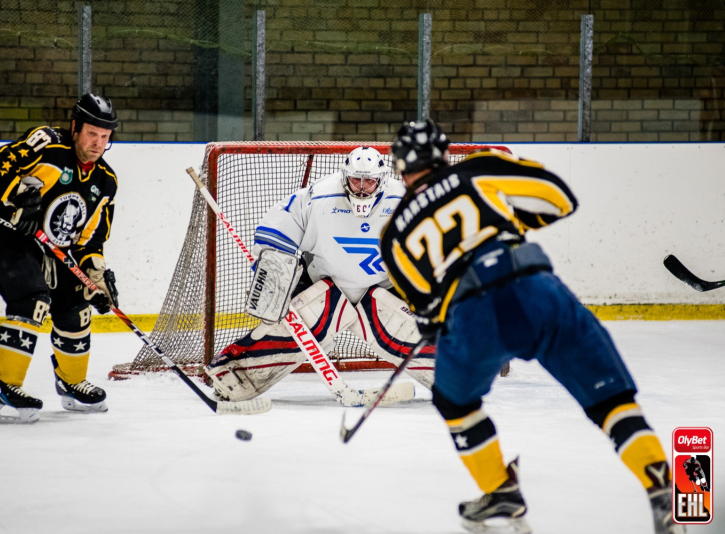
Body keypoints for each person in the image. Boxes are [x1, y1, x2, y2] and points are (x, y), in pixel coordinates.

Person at [380, 119, 683, 534]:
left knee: (456, 404)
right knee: (611, 402)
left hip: (472, 316)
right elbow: (560, 198)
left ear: (400, 167)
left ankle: (500, 493)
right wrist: (509, 222)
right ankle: (665, 488)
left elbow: (428, 316)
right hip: (536, 290)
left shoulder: (394, 233)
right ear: (443, 153)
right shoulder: (475, 170)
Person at [205, 146, 436, 401]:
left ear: (381, 180)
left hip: (382, 291)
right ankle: (229, 379)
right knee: (288, 336)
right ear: (344, 175)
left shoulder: (407, 199)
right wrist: (273, 269)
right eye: (355, 179)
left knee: (418, 336)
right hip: (326, 290)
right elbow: (279, 225)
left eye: (368, 180)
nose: (361, 187)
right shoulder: (320, 195)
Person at [0, 94, 120, 424]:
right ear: (75, 128)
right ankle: (2, 386)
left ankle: (71, 384)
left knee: (77, 305)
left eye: (105, 136)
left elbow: (89, 240)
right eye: (91, 133)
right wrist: (20, 194)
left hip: (52, 250)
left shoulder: (106, 181)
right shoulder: (48, 144)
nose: (98, 143)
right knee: (32, 299)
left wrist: (95, 273)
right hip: (6, 234)